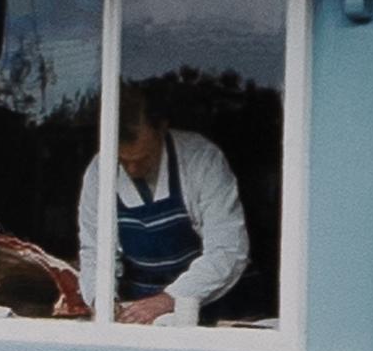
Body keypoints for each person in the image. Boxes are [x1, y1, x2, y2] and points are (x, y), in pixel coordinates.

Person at [77, 84, 249, 324]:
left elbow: (227, 251)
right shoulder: (100, 171)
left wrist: (169, 300)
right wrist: (101, 301)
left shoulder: (201, 160)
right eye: (124, 162)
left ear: (162, 127)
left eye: (142, 158)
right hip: (138, 311)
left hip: (212, 308)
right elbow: (95, 251)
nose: (133, 169)